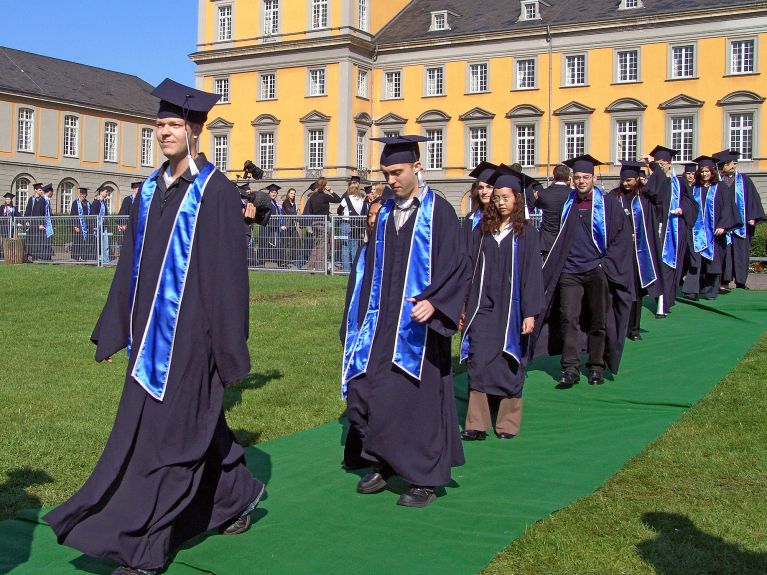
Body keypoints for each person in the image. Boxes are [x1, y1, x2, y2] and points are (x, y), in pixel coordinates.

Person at [44, 78, 265, 575]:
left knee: (169, 440)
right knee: (187, 426)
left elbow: (229, 279)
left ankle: (144, 547)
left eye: (173, 125)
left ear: (194, 130)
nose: (164, 132)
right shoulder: (149, 190)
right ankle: (237, 494)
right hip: (148, 337)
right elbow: (130, 266)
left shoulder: (216, 194)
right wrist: (115, 324)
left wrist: (228, 349)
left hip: (193, 338)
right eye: (160, 124)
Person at [341, 135, 469, 508]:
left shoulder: (439, 212)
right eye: (385, 173)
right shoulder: (382, 214)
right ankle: (385, 461)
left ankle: (423, 477)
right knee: (369, 390)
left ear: (417, 168)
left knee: (417, 400)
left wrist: (436, 303)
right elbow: (372, 267)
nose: (391, 180)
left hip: (419, 329)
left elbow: (458, 266)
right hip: (382, 322)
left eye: (397, 172)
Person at [532, 155, 634, 387]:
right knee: (568, 318)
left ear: (593, 178)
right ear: (571, 179)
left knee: (598, 320)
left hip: (596, 270)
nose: (581, 181)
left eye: (585, 177)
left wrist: (605, 264)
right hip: (569, 271)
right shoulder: (568, 203)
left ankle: (596, 365)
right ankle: (570, 367)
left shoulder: (607, 204)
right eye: (577, 177)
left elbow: (621, 237)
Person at [460, 166, 543, 441]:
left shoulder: (527, 234)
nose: (500, 202)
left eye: (506, 197)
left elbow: (532, 274)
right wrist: (463, 304)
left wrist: (530, 312)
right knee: (479, 358)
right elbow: (469, 268)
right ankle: (476, 423)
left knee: (510, 361)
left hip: (513, 309)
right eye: (497, 198)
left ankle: (507, 423)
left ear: (517, 199)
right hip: (482, 307)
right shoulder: (482, 231)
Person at [642, 146, 699, 318]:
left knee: (669, 267)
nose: (661, 166)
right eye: (658, 163)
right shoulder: (654, 180)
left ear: (669, 164)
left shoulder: (679, 183)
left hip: (675, 231)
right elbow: (652, 195)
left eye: (663, 164)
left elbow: (692, 204)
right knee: (658, 265)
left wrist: (682, 209)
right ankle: (658, 297)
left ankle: (665, 301)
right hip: (658, 229)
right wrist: (654, 170)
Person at [610, 161, 663, 341]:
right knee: (617, 290)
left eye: (630, 180)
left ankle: (634, 328)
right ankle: (617, 326)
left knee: (635, 292)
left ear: (637, 179)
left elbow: (661, 189)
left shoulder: (643, 197)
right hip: (618, 253)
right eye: (623, 180)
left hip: (638, 254)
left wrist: (654, 166)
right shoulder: (613, 196)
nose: (626, 183)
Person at [685, 156, 741, 300]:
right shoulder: (695, 188)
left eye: (707, 171)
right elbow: (689, 206)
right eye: (702, 171)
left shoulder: (721, 187)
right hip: (696, 232)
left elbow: (728, 207)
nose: (704, 174)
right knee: (695, 260)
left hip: (715, 232)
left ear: (712, 172)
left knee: (713, 262)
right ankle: (691, 290)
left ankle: (710, 290)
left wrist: (723, 225)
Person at [716, 149, 765, 290]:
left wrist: (752, 217)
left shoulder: (744, 180)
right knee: (725, 253)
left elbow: (753, 199)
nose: (733, 166)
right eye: (731, 164)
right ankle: (724, 281)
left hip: (740, 225)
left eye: (735, 163)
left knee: (741, 252)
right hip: (723, 224)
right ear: (723, 165)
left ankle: (741, 281)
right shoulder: (718, 181)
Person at [534, 164, 572, 260]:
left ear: (553, 176)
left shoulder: (543, 193)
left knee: (547, 270)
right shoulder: (572, 194)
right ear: (568, 178)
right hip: (566, 238)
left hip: (547, 240)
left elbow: (537, 205)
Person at [303, 177, 341, 271]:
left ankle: (311, 265)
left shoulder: (312, 196)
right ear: (325, 185)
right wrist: (331, 190)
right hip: (323, 223)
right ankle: (320, 267)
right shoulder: (325, 196)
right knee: (322, 246)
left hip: (315, 223)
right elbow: (338, 199)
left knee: (316, 245)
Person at [463, 161, 496, 267]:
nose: (484, 192)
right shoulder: (471, 218)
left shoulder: (501, 219)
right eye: (481, 188)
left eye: (489, 187)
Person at [337, 176, 369, 273]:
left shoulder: (346, 198)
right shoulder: (361, 199)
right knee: (355, 247)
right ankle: (355, 268)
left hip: (346, 223)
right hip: (356, 224)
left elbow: (339, 210)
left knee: (345, 247)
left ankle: (346, 269)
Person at [256, 183, 286, 267]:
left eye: (275, 192)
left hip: (273, 227)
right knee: (264, 244)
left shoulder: (275, 203)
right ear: (269, 193)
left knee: (276, 243)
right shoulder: (267, 202)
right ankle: (261, 262)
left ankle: (280, 262)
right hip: (266, 227)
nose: (274, 193)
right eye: (272, 192)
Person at [281, 187, 303, 267]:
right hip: (286, 225)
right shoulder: (286, 202)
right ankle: (284, 261)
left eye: (294, 194)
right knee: (285, 243)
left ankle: (295, 260)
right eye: (291, 193)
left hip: (292, 225)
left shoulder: (293, 203)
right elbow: (291, 213)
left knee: (296, 242)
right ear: (288, 194)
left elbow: (294, 214)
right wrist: (297, 215)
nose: (293, 195)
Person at [24, 183, 45, 261]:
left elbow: (43, 213)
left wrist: (42, 224)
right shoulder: (31, 199)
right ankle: (27, 255)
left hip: (38, 223)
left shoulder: (42, 200)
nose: (41, 191)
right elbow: (28, 210)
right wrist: (26, 221)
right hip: (31, 223)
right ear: (35, 190)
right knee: (29, 239)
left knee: (37, 240)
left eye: (41, 190)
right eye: (40, 190)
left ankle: (35, 256)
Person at [70, 188, 92, 262]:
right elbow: (73, 215)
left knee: (84, 242)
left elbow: (90, 216)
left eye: (85, 194)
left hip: (86, 227)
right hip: (78, 226)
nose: (83, 196)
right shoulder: (75, 203)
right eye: (82, 194)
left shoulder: (88, 204)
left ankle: (83, 256)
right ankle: (76, 257)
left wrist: (89, 226)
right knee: (77, 241)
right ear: (79, 194)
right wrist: (75, 226)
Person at [0, 192, 18, 259]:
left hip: (11, 227)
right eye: (6, 199)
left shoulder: (14, 208)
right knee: (4, 241)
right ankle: (2, 255)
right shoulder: (2, 207)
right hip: (4, 227)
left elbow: (19, 216)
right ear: (5, 200)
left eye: (9, 199)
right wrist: (3, 214)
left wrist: (26, 222)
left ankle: (10, 255)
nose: (8, 200)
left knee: (11, 241)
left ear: (11, 200)